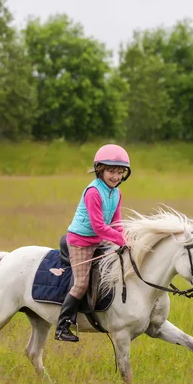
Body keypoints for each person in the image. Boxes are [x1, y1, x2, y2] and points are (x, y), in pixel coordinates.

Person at [54, 144, 131, 342]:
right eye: (111, 171)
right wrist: (120, 239)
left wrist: (127, 239)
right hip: (81, 241)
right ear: (100, 170)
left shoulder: (116, 193)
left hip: (100, 240)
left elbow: (116, 222)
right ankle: (62, 326)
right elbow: (98, 227)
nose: (115, 176)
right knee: (81, 283)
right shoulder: (93, 192)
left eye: (120, 172)